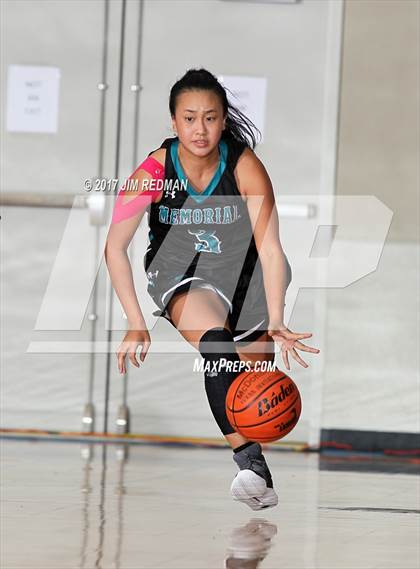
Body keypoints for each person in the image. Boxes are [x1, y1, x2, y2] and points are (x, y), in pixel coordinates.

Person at [105, 68, 320, 511]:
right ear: (173, 122)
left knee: (252, 387)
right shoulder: (154, 171)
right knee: (217, 349)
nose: (199, 129)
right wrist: (134, 320)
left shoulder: (244, 167)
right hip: (181, 272)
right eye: (189, 118)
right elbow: (114, 246)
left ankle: (257, 470)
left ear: (223, 121)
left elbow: (273, 249)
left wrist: (277, 316)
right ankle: (250, 465)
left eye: (210, 118)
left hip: (247, 277)